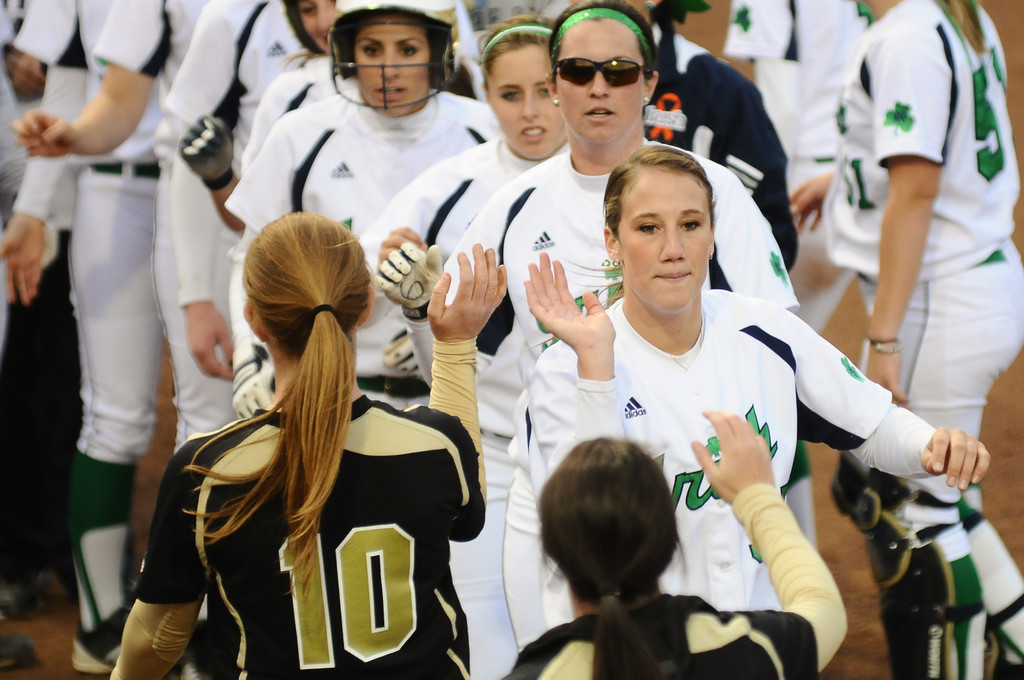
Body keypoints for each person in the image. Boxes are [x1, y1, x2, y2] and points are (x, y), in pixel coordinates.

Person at [414, 0, 794, 646]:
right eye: (579, 71)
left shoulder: (715, 194)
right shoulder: (514, 211)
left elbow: (777, 347)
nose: (598, 87)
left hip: (689, 481)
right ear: (556, 83)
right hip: (553, 489)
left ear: (650, 84)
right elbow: (454, 352)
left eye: (619, 72)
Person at [524, 144, 990, 634]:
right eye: (647, 228)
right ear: (612, 242)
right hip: (641, 647)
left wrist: (930, 445)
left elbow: (872, 423)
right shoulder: (567, 369)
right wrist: (598, 372)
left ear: (711, 236)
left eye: (690, 224)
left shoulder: (764, 331)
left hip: (761, 635)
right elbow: (587, 539)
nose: (673, 250)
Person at [108, 213, 507, 680]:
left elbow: (157, 640)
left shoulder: (207, 472)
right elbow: (466, 500)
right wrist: (455, 345)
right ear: (362, 312)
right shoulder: (432, 447)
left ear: (254, 319)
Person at [793, 0, 1024, 677]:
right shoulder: (950, 16)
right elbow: (932, 149)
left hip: (937, 299)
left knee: (910, 510)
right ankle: (1011, 645)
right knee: (931, 495)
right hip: (970, 282)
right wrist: (848, 182)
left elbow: (917, 192)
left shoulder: (906, 37)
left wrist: (883, 339)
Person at [366, 16, 565, 678]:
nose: (531, 113)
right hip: (491, 452)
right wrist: (414, 308)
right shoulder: (447, 185)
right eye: (511, 95)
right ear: (485, 93)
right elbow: (366, 289)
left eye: (545, 90)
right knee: (483, 646)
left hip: (599, 449)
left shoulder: (625, 179)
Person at [225, 0, 498, 415]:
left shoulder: (485, 130)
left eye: (407, 50)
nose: (388, 69)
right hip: (328, 394)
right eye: (372, 50)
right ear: (348, 51)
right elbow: (253, 257)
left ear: (439, 50)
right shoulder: (301, 134)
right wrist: (250, 352)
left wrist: (433, 326)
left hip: (453, 396)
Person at [505, 417, 846, 680]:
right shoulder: (751, 648)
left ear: (555, 555)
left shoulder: (541, 673)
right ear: (669, 543)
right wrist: (757, 497)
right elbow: (824, 610)